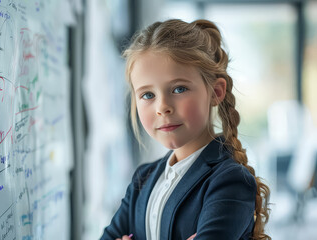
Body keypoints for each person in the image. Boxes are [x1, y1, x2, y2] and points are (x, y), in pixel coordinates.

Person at [100, 19, 271, 240]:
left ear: (216, 92)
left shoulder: (229, 181)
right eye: (147, 95)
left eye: (179, 89)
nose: (163, 107)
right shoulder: (143, 178)